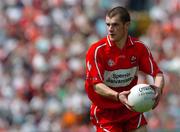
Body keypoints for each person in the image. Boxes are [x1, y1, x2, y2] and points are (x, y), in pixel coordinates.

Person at [85, 6, 165, 132]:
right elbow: (96, 85)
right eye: (108, 25)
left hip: (131, 107)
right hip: (106, 112)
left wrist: (158, 89)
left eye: (115, 25)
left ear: (126, 25)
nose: (110, 29)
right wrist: (117, 96)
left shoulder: (139, 47)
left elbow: (158, 74)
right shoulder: (97, 51)